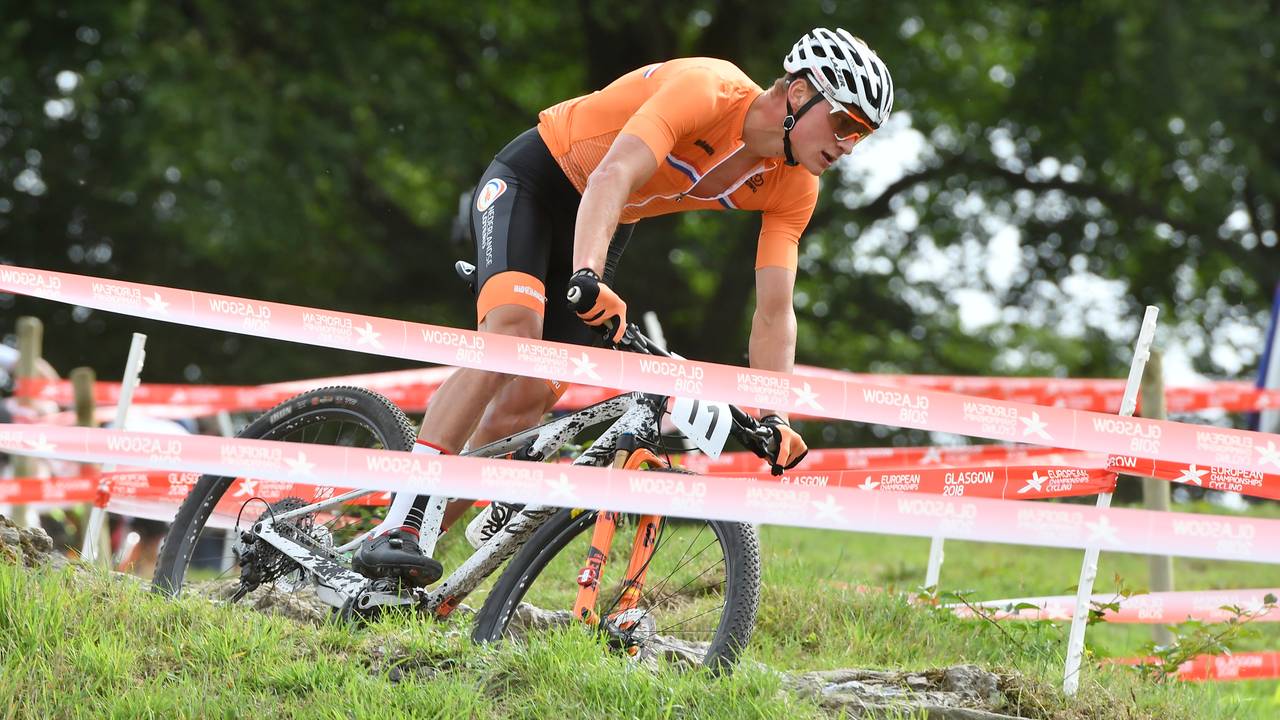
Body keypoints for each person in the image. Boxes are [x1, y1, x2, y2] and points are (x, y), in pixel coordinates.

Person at [352, 28, 894, 585]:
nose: (850, 144)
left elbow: (775, 310)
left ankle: (391, 562)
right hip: (537, 182)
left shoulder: (795, 187)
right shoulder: (707, 89)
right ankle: (405, 521)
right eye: (846, 123)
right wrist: (586, 274)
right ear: (800, 94)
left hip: (608, 222)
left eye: (863, 135)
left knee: (529, 399)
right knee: (514, 335)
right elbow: (611, 175)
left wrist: (772, 411)